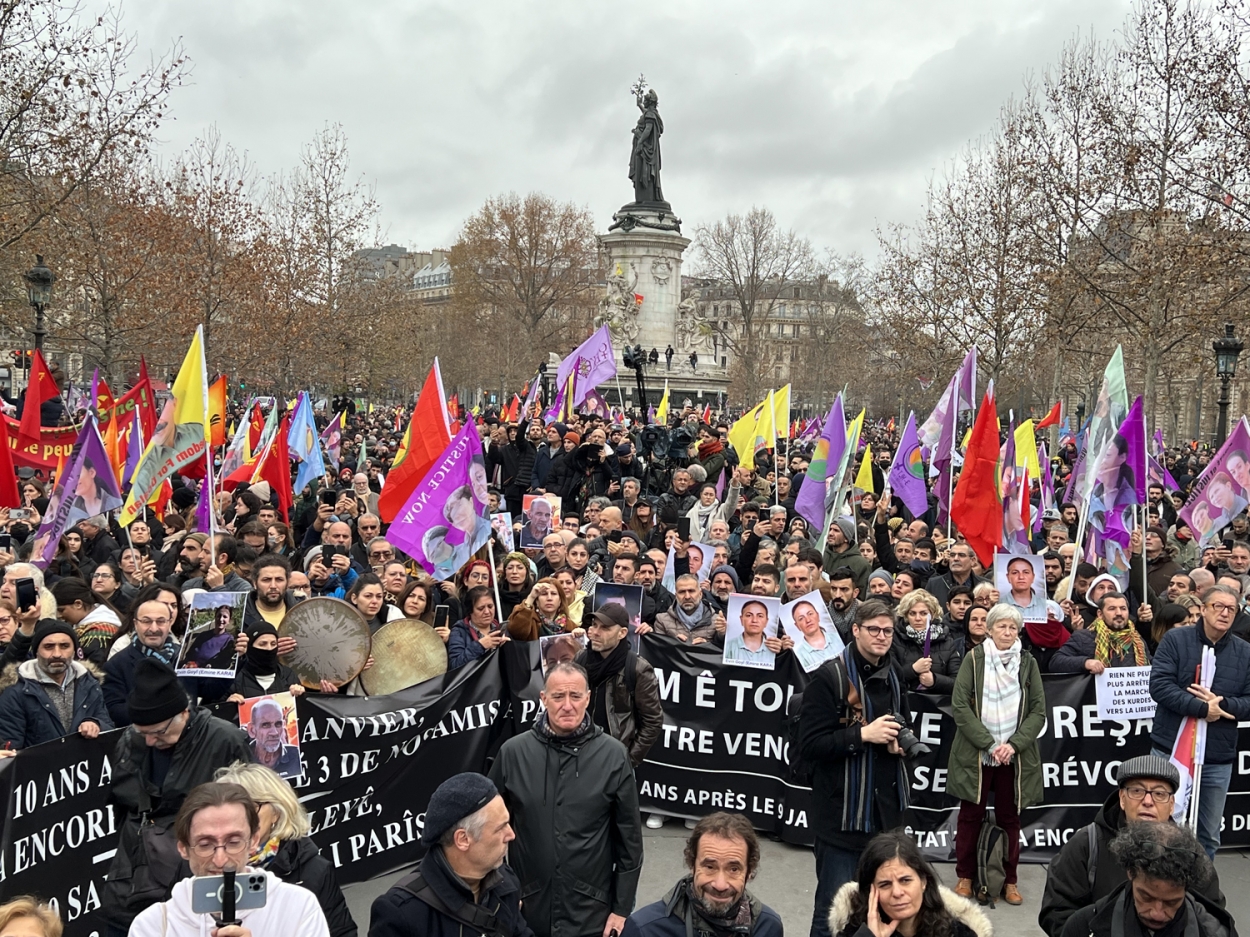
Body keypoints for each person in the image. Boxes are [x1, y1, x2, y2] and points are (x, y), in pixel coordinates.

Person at [489, 661, 643, 937]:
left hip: (591, 911)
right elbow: (489, 830)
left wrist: (621, 909)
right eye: (558, 696)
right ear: (544, 699)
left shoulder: (613, 756)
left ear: (588, 698)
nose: (567, 705)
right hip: (527, 908)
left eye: (575, 696)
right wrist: (503, 889)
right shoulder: (513, 753)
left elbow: (629, 840)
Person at [103, 659, 253, 936]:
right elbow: (121, 804)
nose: (149, 740)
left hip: (199, 867)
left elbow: (251, 808)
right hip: (133, 871)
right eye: (142, 732)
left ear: (183, 713)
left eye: (158, 732)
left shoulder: (225, 740)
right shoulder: (131, 739)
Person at [799, 600, 914, 937]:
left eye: (888, 631)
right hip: (842, 818)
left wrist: (897, 741)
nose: (881, 637)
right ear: (856, 630)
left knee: (882, 910)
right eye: (874, 629)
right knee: (833, 914)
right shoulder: (829, 677)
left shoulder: (894, 674)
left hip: (886, 817)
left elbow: (901, 719)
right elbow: (809, 746)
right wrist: (862, 735)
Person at [1039, 755, 1224, 937]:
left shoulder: (1190, 854)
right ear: (1121, 797)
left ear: (1171, 805)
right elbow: (1057, 913)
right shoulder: (1087, 843)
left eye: (1159, 793)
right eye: (1137, 791)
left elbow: (1212, 916)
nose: (1148, 801)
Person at [127, 781, 331, 937]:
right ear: (183, 848)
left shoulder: (298, 906)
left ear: (253, 841)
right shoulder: (152, 925)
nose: (220, 859)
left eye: (233, 842)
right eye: (205, 844)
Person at [948, 603, 1045, 905]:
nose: (1007, 631)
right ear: (988, 629)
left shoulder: (1027, 663)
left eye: (1012, 627)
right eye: (1000, 626)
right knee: (970, 816)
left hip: (1014, 755)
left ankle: (1009, 880)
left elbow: (1038, 711)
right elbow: (961, 707)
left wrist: (1013, 745)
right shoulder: (973, 659)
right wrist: (990, 744)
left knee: (1010, 818)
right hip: (978, 752)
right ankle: (965, 875)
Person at [1149, 584, 1250, 858]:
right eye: (1218, 606)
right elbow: (1159, 686)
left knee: (1208, 834)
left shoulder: (1245, 652)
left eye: (1231, 608)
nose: (1225, 613)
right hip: (1170, 749)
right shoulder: (1175, 640)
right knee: (1160, 827)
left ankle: (1200, 896)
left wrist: (1223, 704)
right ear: (1203, 609)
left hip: (1217, 756)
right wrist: (1202, 709)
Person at [370, 771, 532, 937]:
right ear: (462, 839)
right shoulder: (401, 913)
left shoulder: (505, 881)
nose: (511, 835)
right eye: (500, 828)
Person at [215, 762, 356, 937]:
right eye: (230, 810)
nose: (241, 819)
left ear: (277, 812)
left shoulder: (313, 872)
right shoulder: (196, 865)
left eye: (251, 808)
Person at [622, 812, 783, 937]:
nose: (720, 884)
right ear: (692, 865)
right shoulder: (645, 930)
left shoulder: (768, 927)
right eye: (710, 867)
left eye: (733, 869)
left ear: (749, 872)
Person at [1059, 822, 1233, 937]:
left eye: (1171, 902)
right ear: (1130, 873)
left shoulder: (1214, 933)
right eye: (1146, 897)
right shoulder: (1083, 927)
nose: (1157, 913)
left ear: (1188, 888)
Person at [827, 831, 990, 937]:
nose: (897, 892)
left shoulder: (956, 933)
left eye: (905, 880)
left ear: (923, 882)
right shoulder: (855, 930)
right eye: (885, 884)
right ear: (871, 891)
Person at [0, 619, 113, 748]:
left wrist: (97, 724)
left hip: (83, 764)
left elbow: (108, 726)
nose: (57, 654)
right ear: (36, 651)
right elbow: (10, 748)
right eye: (49, 647)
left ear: (75, 650)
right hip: (38, 766)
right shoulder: (16, 691)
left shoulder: (89, 682)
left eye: (65, 646)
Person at [575, 603, 663, 768]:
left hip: (613, 761)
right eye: (594, 625)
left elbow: (653, 722)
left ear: (622, 633)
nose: (596, 632)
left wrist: (627, 762)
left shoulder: (638, 668)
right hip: (577, 755)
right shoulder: (581, 658)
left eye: (605, 628)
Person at [1051, 592, 1150, 674]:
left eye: (1123, 608)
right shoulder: (1083, 637)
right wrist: (1085, 663)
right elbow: (1055, 662)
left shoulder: (1137, 640)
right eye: (1112, 609)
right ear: (1100, 614)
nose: (1119, 613)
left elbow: (1152, 664)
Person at [447, 586, 508, 669]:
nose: (487, 612)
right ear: (470, 611)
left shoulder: (501, 629)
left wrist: (509, 648)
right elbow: (455, 665)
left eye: (490, 606)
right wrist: (480, 645)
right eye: (481, 608)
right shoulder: (459, 631)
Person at [245, 696, 301, 776]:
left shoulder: (296, 755)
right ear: (252, 730)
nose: (274, 733)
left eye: (278, 724)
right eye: (265, 725)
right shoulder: (242, 756)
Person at [723, 598, 780, 667]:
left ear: (766, 621)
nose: (754, 620)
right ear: (741, 619)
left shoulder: (775, 648)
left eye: (760, 616)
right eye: (749, 615)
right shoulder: (729, 646)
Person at [789, 599, 840, 671]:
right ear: (797, 626)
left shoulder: (837, 638)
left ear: (818, 616)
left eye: (810, 614)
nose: (808, 620)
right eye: (801, 618)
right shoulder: (800, 655)